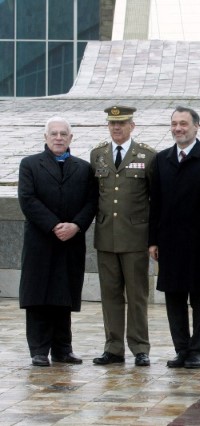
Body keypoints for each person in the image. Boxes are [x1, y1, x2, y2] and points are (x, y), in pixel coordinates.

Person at [148, 106, 200, 369]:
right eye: (174, 124)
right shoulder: (161, 159)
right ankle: (181, 348)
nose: (178, 128)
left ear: (196, 127)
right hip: (169, 242)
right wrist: (153, 240)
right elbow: (155, 202)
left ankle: (197, 350)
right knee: (174, 297)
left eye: (183, 123)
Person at [18, 117, 97, 367]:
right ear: (45, 137)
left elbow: (91, 202)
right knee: (39, 296)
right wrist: (54, 225)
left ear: (71, 138)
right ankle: (39, 349)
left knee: (64, 295)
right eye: (54, 133)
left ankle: (63, 348)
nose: (59, 137)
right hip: (41, 241)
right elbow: (27, 199)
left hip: (71, 241)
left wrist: (76, 225)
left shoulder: (84, 168)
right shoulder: (30, 164)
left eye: (64, 134)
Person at [91, 106, 156, 367]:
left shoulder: (148, 155)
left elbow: (154, 198)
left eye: (122, 123)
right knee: (110, 295)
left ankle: (140, 347)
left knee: (137, 295)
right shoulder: (98, 154)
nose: (116, 128)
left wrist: (153, 237)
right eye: (112, 123)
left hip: (135, 237)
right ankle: (113, 347)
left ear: (132, 125)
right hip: (106, 237)